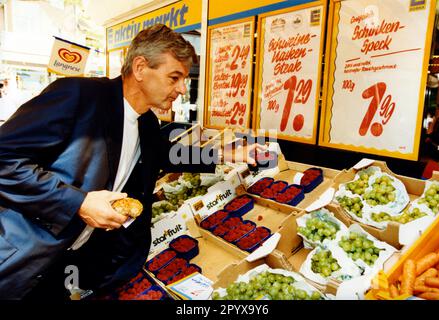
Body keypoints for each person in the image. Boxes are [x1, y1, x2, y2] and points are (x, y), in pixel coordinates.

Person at [0, 24, 265, 300]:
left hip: (73, 267)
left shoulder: (146, 122)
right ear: (140, 68)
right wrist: (78, 203)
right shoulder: (79, 96)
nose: (182, 89)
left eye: (184, 79)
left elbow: (167, 154)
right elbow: (5, 158)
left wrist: (227, 153)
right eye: (174, 77)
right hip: (25, 261)